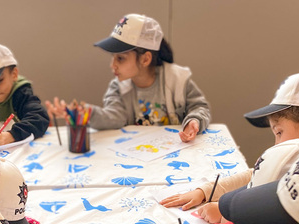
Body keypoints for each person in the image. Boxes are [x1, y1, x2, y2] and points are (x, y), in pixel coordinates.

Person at [161, 72, 299, 219]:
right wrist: (204, 192)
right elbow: (256, 175)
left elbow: (276, 218)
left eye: (279, 132)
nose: (276, 144)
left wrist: (227, 215)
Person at [45, 14, 211, 143]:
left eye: (121, 58)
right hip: (139, 154)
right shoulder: (118, 87)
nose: (113, 65)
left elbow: (199, 106)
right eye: (113, 58)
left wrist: (194, 121)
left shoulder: (177, 80)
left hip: (174, 151)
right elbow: (114, 118)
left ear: (145, 59)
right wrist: (86, 112)